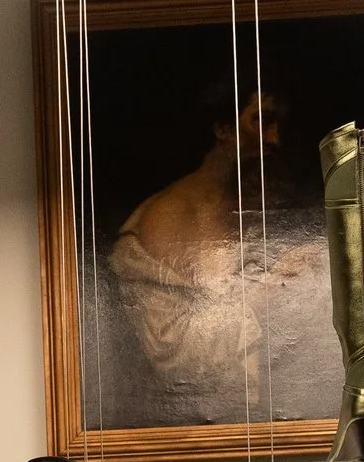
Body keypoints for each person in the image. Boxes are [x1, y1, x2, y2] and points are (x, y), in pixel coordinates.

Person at [107, 89, 323, 418]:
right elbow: (172, 353)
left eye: (279, 124)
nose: (274, 139)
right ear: (222, 128)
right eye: (261, 121)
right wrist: (269, 290)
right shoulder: (167, 216)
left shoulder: (256, 203)